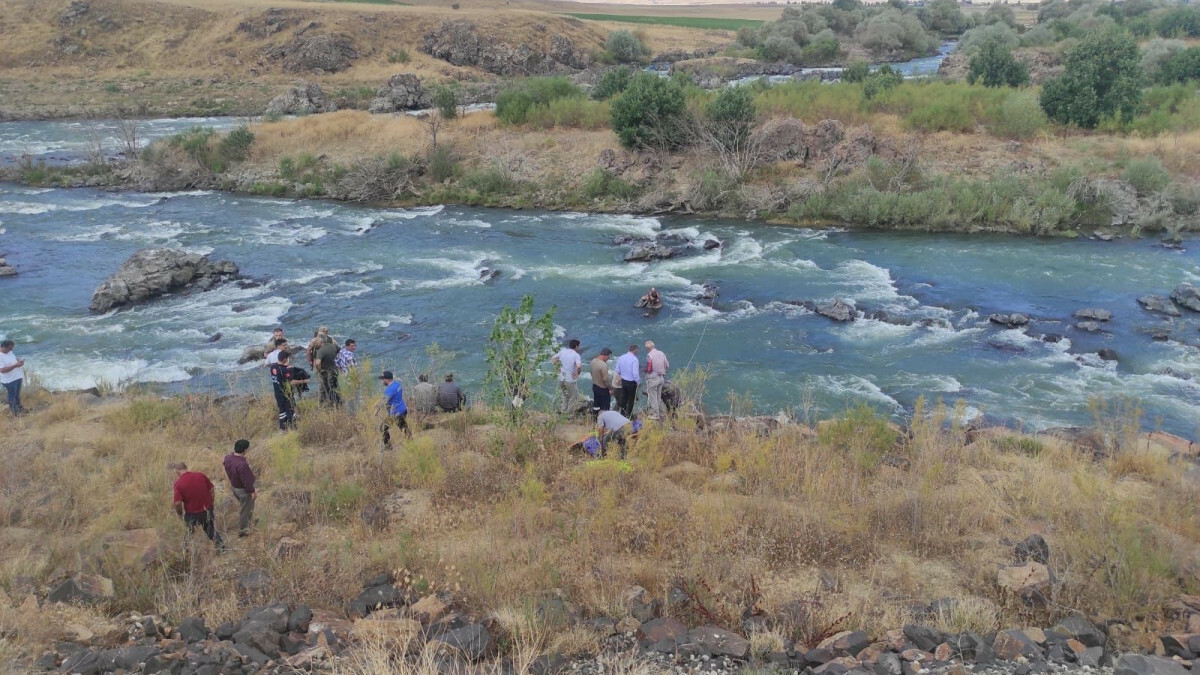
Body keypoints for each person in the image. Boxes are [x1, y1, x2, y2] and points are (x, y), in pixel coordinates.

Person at [170, 462, 223, 549]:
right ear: (186, 468)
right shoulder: (201, 475)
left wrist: (179, 514)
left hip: (192, 513)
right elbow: (212, 490)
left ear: (177, 472)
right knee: (210, 530)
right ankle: (221, 548)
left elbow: (177, 503)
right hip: (207, 509)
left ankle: (185, 552)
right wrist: (211, 503)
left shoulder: (178, 483)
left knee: (188, 533)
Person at [223, 439, 256, 537]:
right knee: (245, 510)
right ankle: (244, 531)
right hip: (243, 490)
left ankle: (248, 523)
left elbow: (223, 460)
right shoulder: (242, 465)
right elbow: (247, 481)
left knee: (243, 507)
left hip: (234, 487)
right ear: (245, 450)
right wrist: (252, 491)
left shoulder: (228, 458)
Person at [269, 350, 308, 430]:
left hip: (277, 393)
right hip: (285, 393)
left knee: (282, 410)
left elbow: (279, 371)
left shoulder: (273, 367)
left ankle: (283, 428)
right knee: (290, 410)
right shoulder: (284, 370)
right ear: (284, 359)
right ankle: (293, 427)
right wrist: (304, 381)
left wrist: (286, 367)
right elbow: (291, 382)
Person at [550, 339, 582, 415]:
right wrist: (577, 373)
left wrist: (557, 368)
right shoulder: (576, 355)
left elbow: (553, 358)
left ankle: (563, 411)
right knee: (573, 397)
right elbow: (578, 366)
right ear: (576, 346)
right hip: (569, 379)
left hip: (561, 377)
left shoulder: (563, 351)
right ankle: (569, 415)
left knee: (565, 395)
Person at [379, 370, 411, 448]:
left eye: (383, 380)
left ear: (386, 380)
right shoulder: (397, 384)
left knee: (383, 428)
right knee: (404, 428)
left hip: (396, 413)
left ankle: (388, 447)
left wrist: (376, 410)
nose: (382, 381)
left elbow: (384, 401)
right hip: (403, 409)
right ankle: (411, 443)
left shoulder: (389, 390)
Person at [644, 340, 670, 420]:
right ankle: (660, 412)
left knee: (653, 397)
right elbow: (667, 365)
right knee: (658, 397)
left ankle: (655, 415)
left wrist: (644, 370)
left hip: (652, 379)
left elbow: (649, 369)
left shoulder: (649, 355)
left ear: (647, 348)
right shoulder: (661, 353)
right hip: (661, 378)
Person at [0, 340, 26, 416]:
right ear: (4, 347)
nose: (11, 350)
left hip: (17, 377)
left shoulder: (9, 351)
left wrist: (19, 360)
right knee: (12, 396)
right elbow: (2, 370)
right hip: (9, 380)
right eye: (9, 348)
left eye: (12, 348)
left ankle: (20, 409)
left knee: (17, 395)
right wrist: (15, 365)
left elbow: (13, 358)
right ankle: (15, 413)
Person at [614, 344, 640, 418]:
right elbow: (635, 373)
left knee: (624, 398)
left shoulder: (621, 357)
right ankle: (629, 416)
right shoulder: (634, 359)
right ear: (635, 350)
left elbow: (617, 370)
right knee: (631, 400)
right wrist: (638, 382)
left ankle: (622, 413)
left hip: (623, 381)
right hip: (631, 383)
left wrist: (623, 374)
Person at [315, 335, 341, 407]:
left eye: (317, 341)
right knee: (335, 386)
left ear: (320, 342)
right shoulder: (333, 346)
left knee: (329, 388)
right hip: (335, 369)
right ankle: (339, 401)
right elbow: (340, 352)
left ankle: (334, 403)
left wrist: (319, 370)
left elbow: (317, 363)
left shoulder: (320, 351)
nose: (316, 343)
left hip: (326, 371)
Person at [590, 347, 613, 415]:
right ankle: (603, 422)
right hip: (603, 389)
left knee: (596, 405)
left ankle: (594, 419)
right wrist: (610, 389)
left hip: (595, 386)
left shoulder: (593, 361)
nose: (609, 358)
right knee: (605, 407)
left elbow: (591, 372)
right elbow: (605, 380)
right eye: (609, 356)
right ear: (605, 355)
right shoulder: (603, 365)